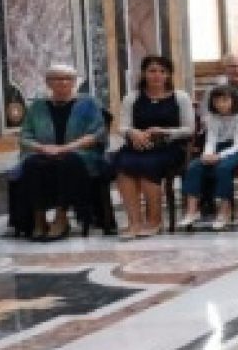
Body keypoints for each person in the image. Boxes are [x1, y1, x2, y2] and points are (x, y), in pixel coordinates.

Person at [15, 64, 107, 241]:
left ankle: (61, 217)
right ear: (48, 82)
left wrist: (66, 148)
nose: (63, 82)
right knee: (32, 164)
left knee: (67, 162)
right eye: (57, 78)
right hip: (45, 152)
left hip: (79, 153)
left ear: (74, 82)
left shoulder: (88, 103)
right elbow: (24, 137)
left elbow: (97, 134)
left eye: (68, 79)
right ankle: (39, 219)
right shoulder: (37, 106)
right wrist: (42, 148)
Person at [111, 54, 193, 238]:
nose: (157, 75)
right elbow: (122, 127)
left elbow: (189, 129)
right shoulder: (132, 97)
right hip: (138, 145)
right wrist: (132, 132)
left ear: (168, 75)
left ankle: (155, 221)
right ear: (144, 73)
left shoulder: (180, 97)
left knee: (148, 165)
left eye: (162, 71)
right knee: (123, 165)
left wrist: (164, 131)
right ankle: (134, 222)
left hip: (169, 147)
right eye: (152, 71)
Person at [178, 85, 238, 231]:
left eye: (225, 100)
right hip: (218, 149)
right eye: (216, 101)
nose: (220, 104)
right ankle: (192, 211)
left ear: (233, 100)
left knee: (223, 168)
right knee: (194, 166)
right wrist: (207, 155)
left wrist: (218, 156)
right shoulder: (213, 118)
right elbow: (211, 140)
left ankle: (224, 210)